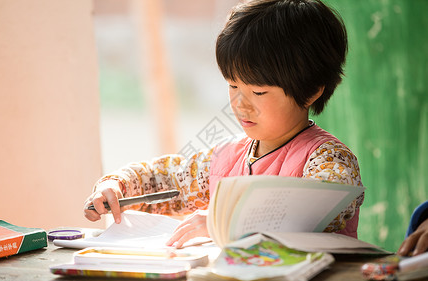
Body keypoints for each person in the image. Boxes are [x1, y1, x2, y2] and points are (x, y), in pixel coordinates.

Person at [84, 0, 364, 248]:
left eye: (259, 92)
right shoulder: (226, 159)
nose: (240, 103)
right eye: (233, 86)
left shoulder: (330, 160)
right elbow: (169, 179)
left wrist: (224, 224)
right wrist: (118, 186)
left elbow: (314, 212)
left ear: (312, 90)